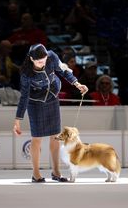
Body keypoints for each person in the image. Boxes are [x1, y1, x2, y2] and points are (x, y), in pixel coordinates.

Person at [12, 44, 88, 183]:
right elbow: (24, 97)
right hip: (34, 102)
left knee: (55, 136)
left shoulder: (51, 56)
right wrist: (18, 119)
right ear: (31, 59)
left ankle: (56, 172)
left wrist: (77, 84)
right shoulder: (26, 73)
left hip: (52, 96)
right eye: (39, 61)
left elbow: (64, 71)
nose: (43, 63)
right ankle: (36, 174)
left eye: (44, 60)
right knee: (37, 138)